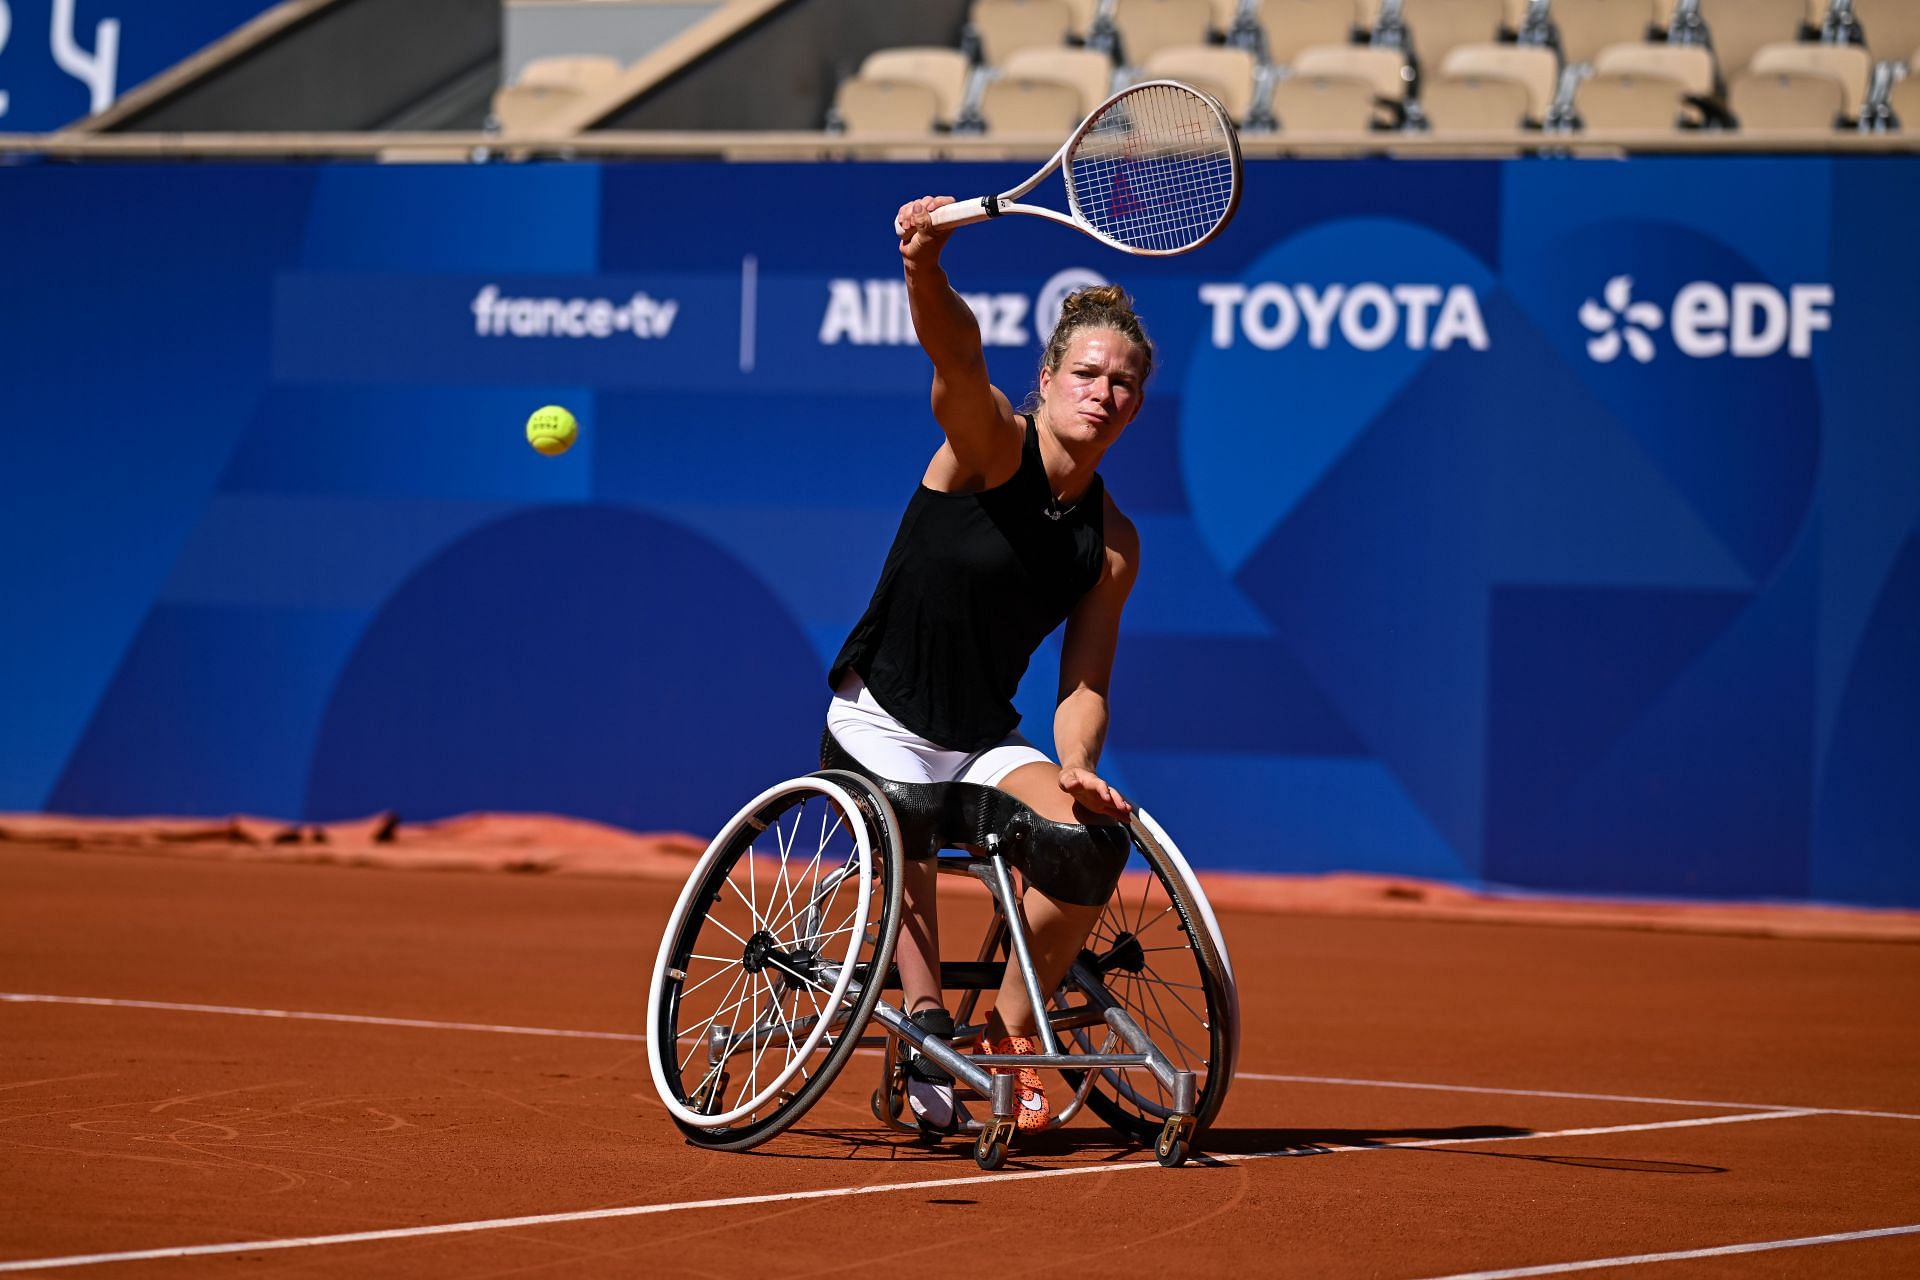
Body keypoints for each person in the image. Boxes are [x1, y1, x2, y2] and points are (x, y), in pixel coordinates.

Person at [825, 194, 1150, 1137]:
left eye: (1122, 383)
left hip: (978, 740)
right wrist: (925, 269)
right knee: (908, 844)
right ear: (1046, 379)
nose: (1103, 393)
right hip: (879, 721)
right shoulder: (988, 444)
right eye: (1086, 373)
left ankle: (1013, 1025)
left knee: (1093, 841)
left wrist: (1079, 765)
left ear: (1137, 405)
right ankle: (924, 1027)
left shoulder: (1114, 542)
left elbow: (1084, 683)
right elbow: (955, 354)